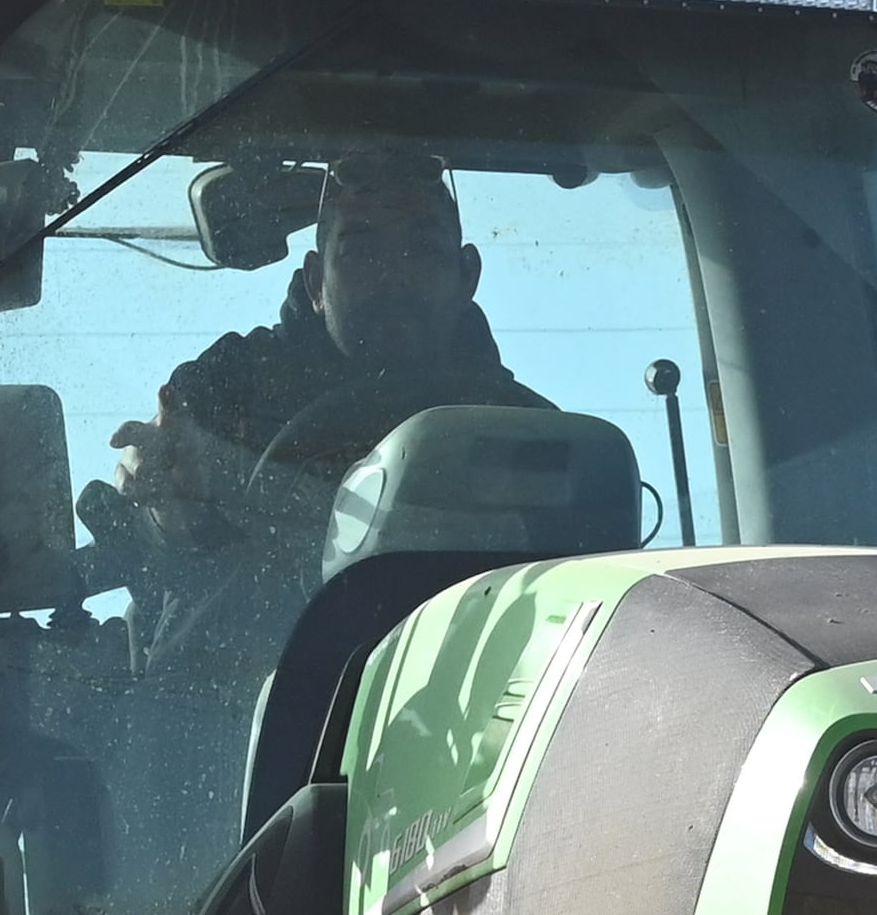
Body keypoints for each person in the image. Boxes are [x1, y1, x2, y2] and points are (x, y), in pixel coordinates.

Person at [104, 148, 549, 650]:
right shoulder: (231, 384)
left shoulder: (533, 436)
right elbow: (144, 541)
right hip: (240, 695)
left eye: (422, 251)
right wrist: (162, 506)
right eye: (361, 253)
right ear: (317, 282)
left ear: (467, 275)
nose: (393, 276)